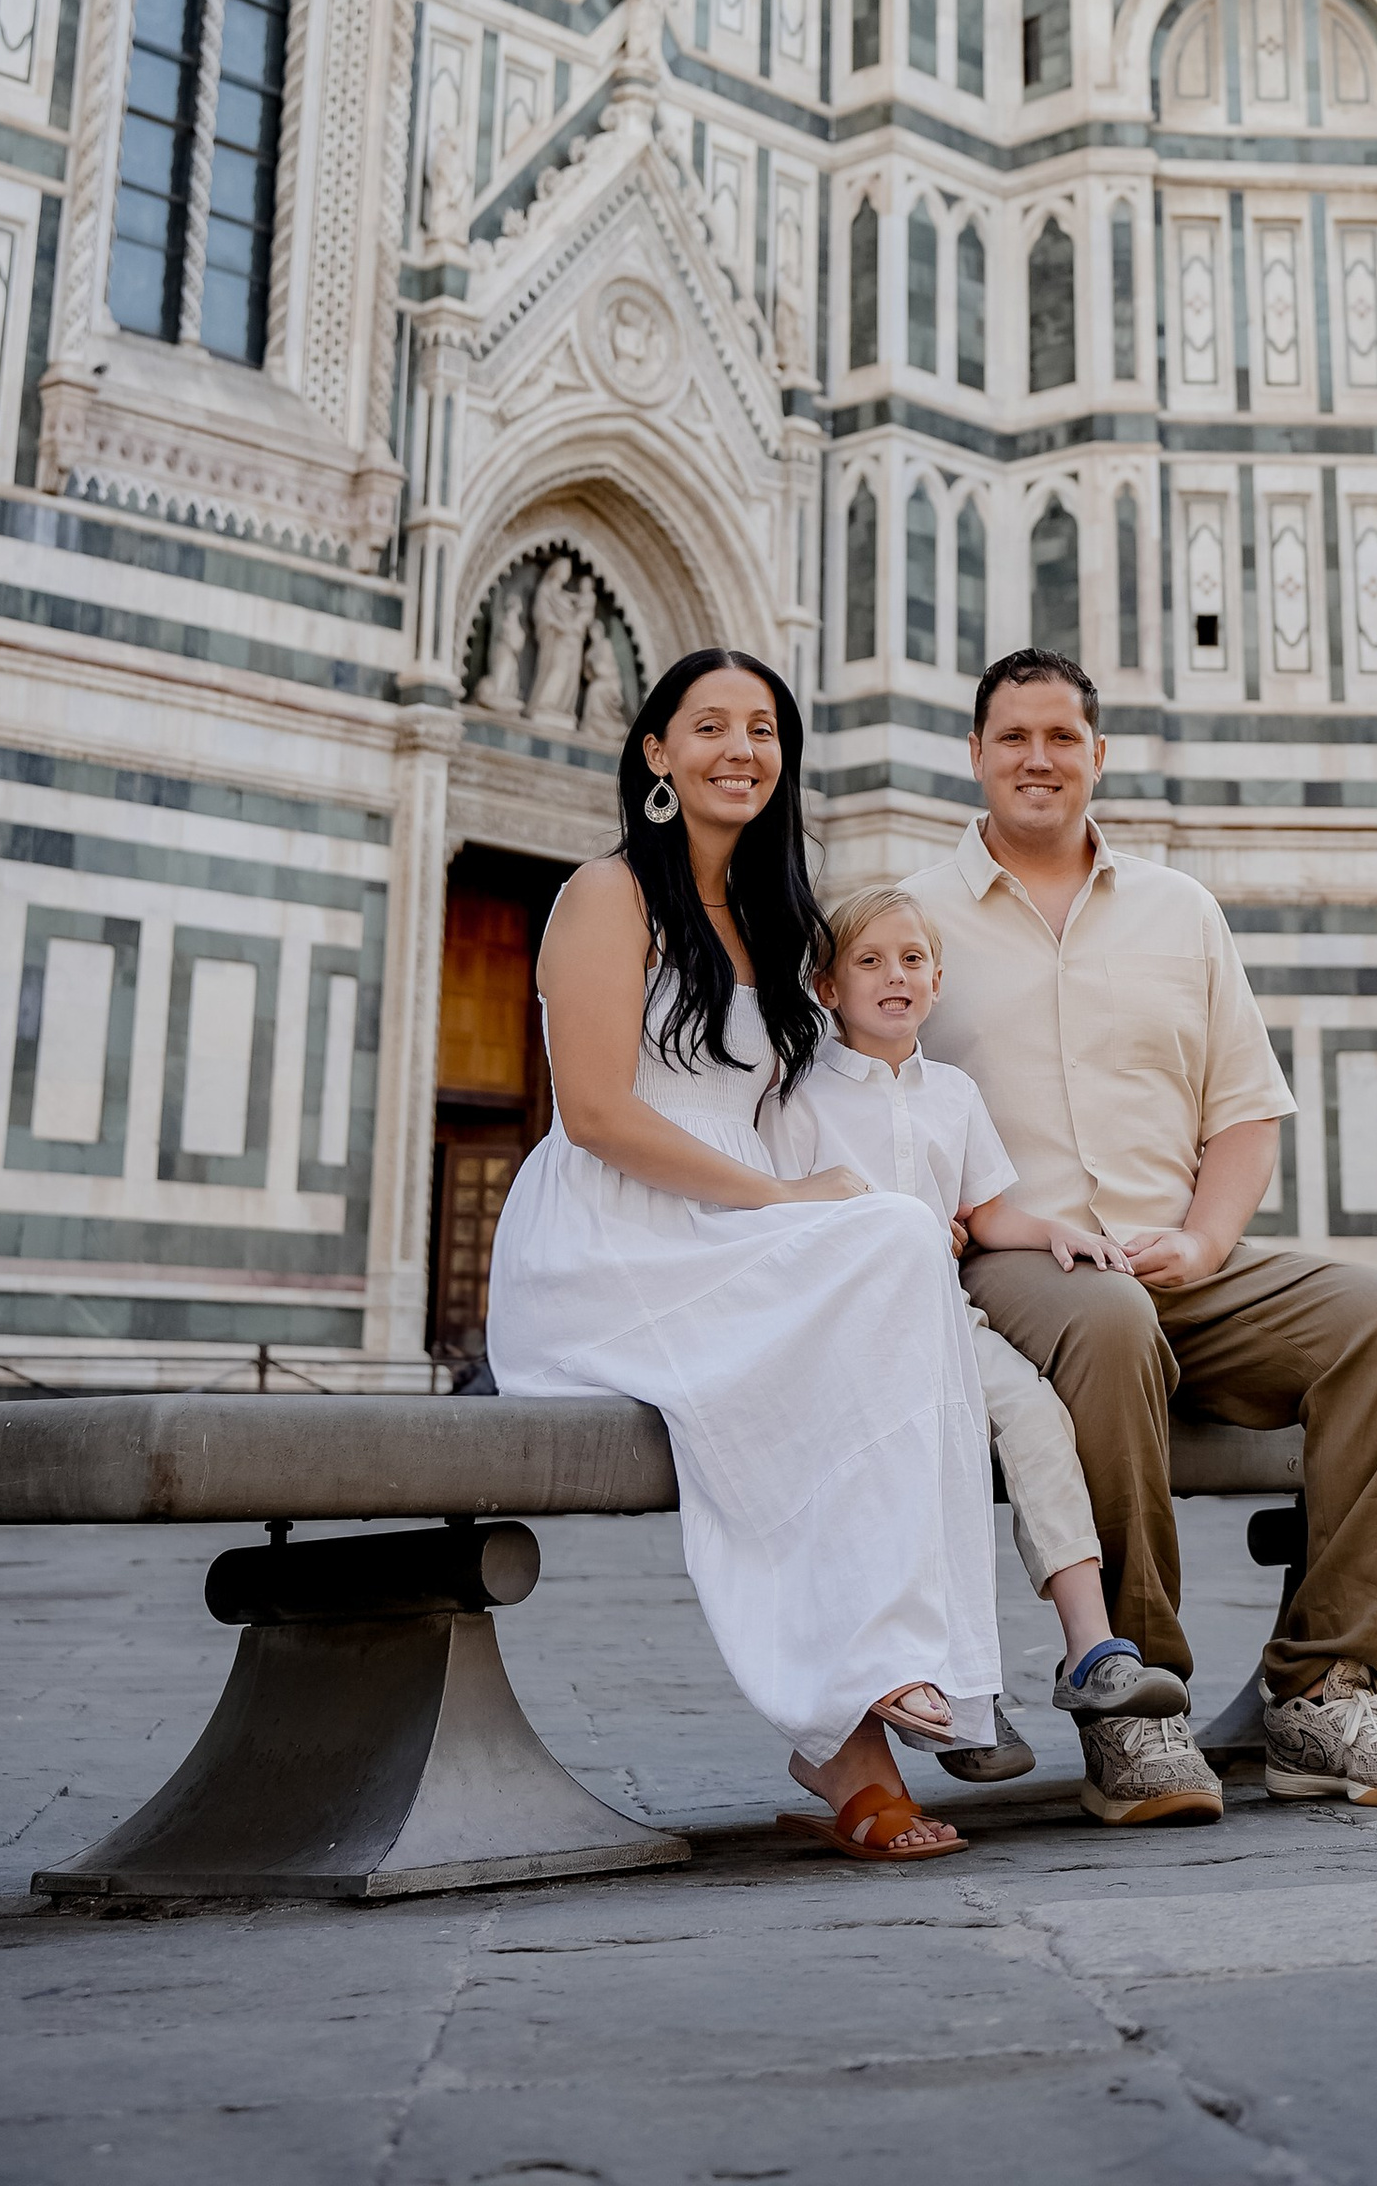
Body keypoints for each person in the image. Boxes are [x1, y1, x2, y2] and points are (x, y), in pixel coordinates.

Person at [908, 649, 1377, 1827]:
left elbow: (1244, 1114)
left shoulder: (1179, 910)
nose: (1039, 759)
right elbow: (865, 1097)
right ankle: (1134, 1698)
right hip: (1018, 1268)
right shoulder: (914, 921)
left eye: (1062, 737)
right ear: (975, 754)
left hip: (1181, 1261)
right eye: (1015, 737)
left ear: (1098, 755)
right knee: (1108, 1321)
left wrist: (1206, 1245)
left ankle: (1324, 1689)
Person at [487, 648, 1003, 1864]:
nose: (740, 749)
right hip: (612, 1236)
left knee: (898, 1239)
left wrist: (913, 1198)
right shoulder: (607, 894)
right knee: (868, 1261)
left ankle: (893, 1672)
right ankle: (871, 1684)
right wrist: (782, 1200)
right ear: (656, 751)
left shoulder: (782, 923)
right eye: (710, 724)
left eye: (763, 728)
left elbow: (834, 1099)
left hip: (729, 1224)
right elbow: (597, 1114)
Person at [759, 884, 1189, 1782]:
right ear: (827, 987)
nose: (895, 976)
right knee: (923, 1453)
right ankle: (961, 1696)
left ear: (938, 981)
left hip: (946, 1320)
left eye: (912, 960)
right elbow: (781, 1219)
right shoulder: (798, 1094)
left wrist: (1058, 1232)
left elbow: (985, 1212)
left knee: (1035, 1416)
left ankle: (1092, 1648)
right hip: (848, 1334)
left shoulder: (952, 1093)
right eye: (870, 961)